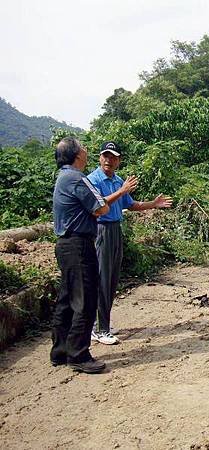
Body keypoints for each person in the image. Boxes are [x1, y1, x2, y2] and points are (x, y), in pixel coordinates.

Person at [88, 141, 173, 345]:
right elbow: (98, 205)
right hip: (101, 230)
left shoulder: (117, 180)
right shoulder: (92, 180)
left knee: (112, 278)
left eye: (113, 157)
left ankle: (102, 324)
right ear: (100, 157)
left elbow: (130, 205)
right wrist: (122, 190)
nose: (108, 160)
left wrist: (153, 204)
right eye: (105, 156)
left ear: (118, 160)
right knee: (103, 278)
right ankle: (99, 329)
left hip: (116, 228)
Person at [51, 137, 109, 374]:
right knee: (85, 300)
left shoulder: (63, 177)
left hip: (66, 245)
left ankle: (61, 351)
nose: (86, 150)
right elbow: (101, 208)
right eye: (83, 147)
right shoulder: (76, 178)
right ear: (77, 154)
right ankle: (78, 354)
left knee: (66, 299)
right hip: (78, 245)